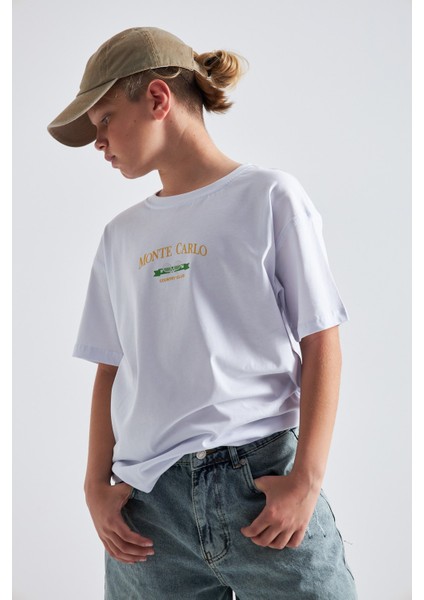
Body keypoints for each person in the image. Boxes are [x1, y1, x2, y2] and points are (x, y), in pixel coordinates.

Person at [48, 26, 357, 600]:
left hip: (259, 489)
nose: (99, 142)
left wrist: (307, 481)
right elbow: (110, 369)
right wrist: (94, 485)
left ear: (157, 98)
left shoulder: (268, 197)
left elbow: (321, 339)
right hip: (147, 513)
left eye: (105, 119)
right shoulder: (120, 236)